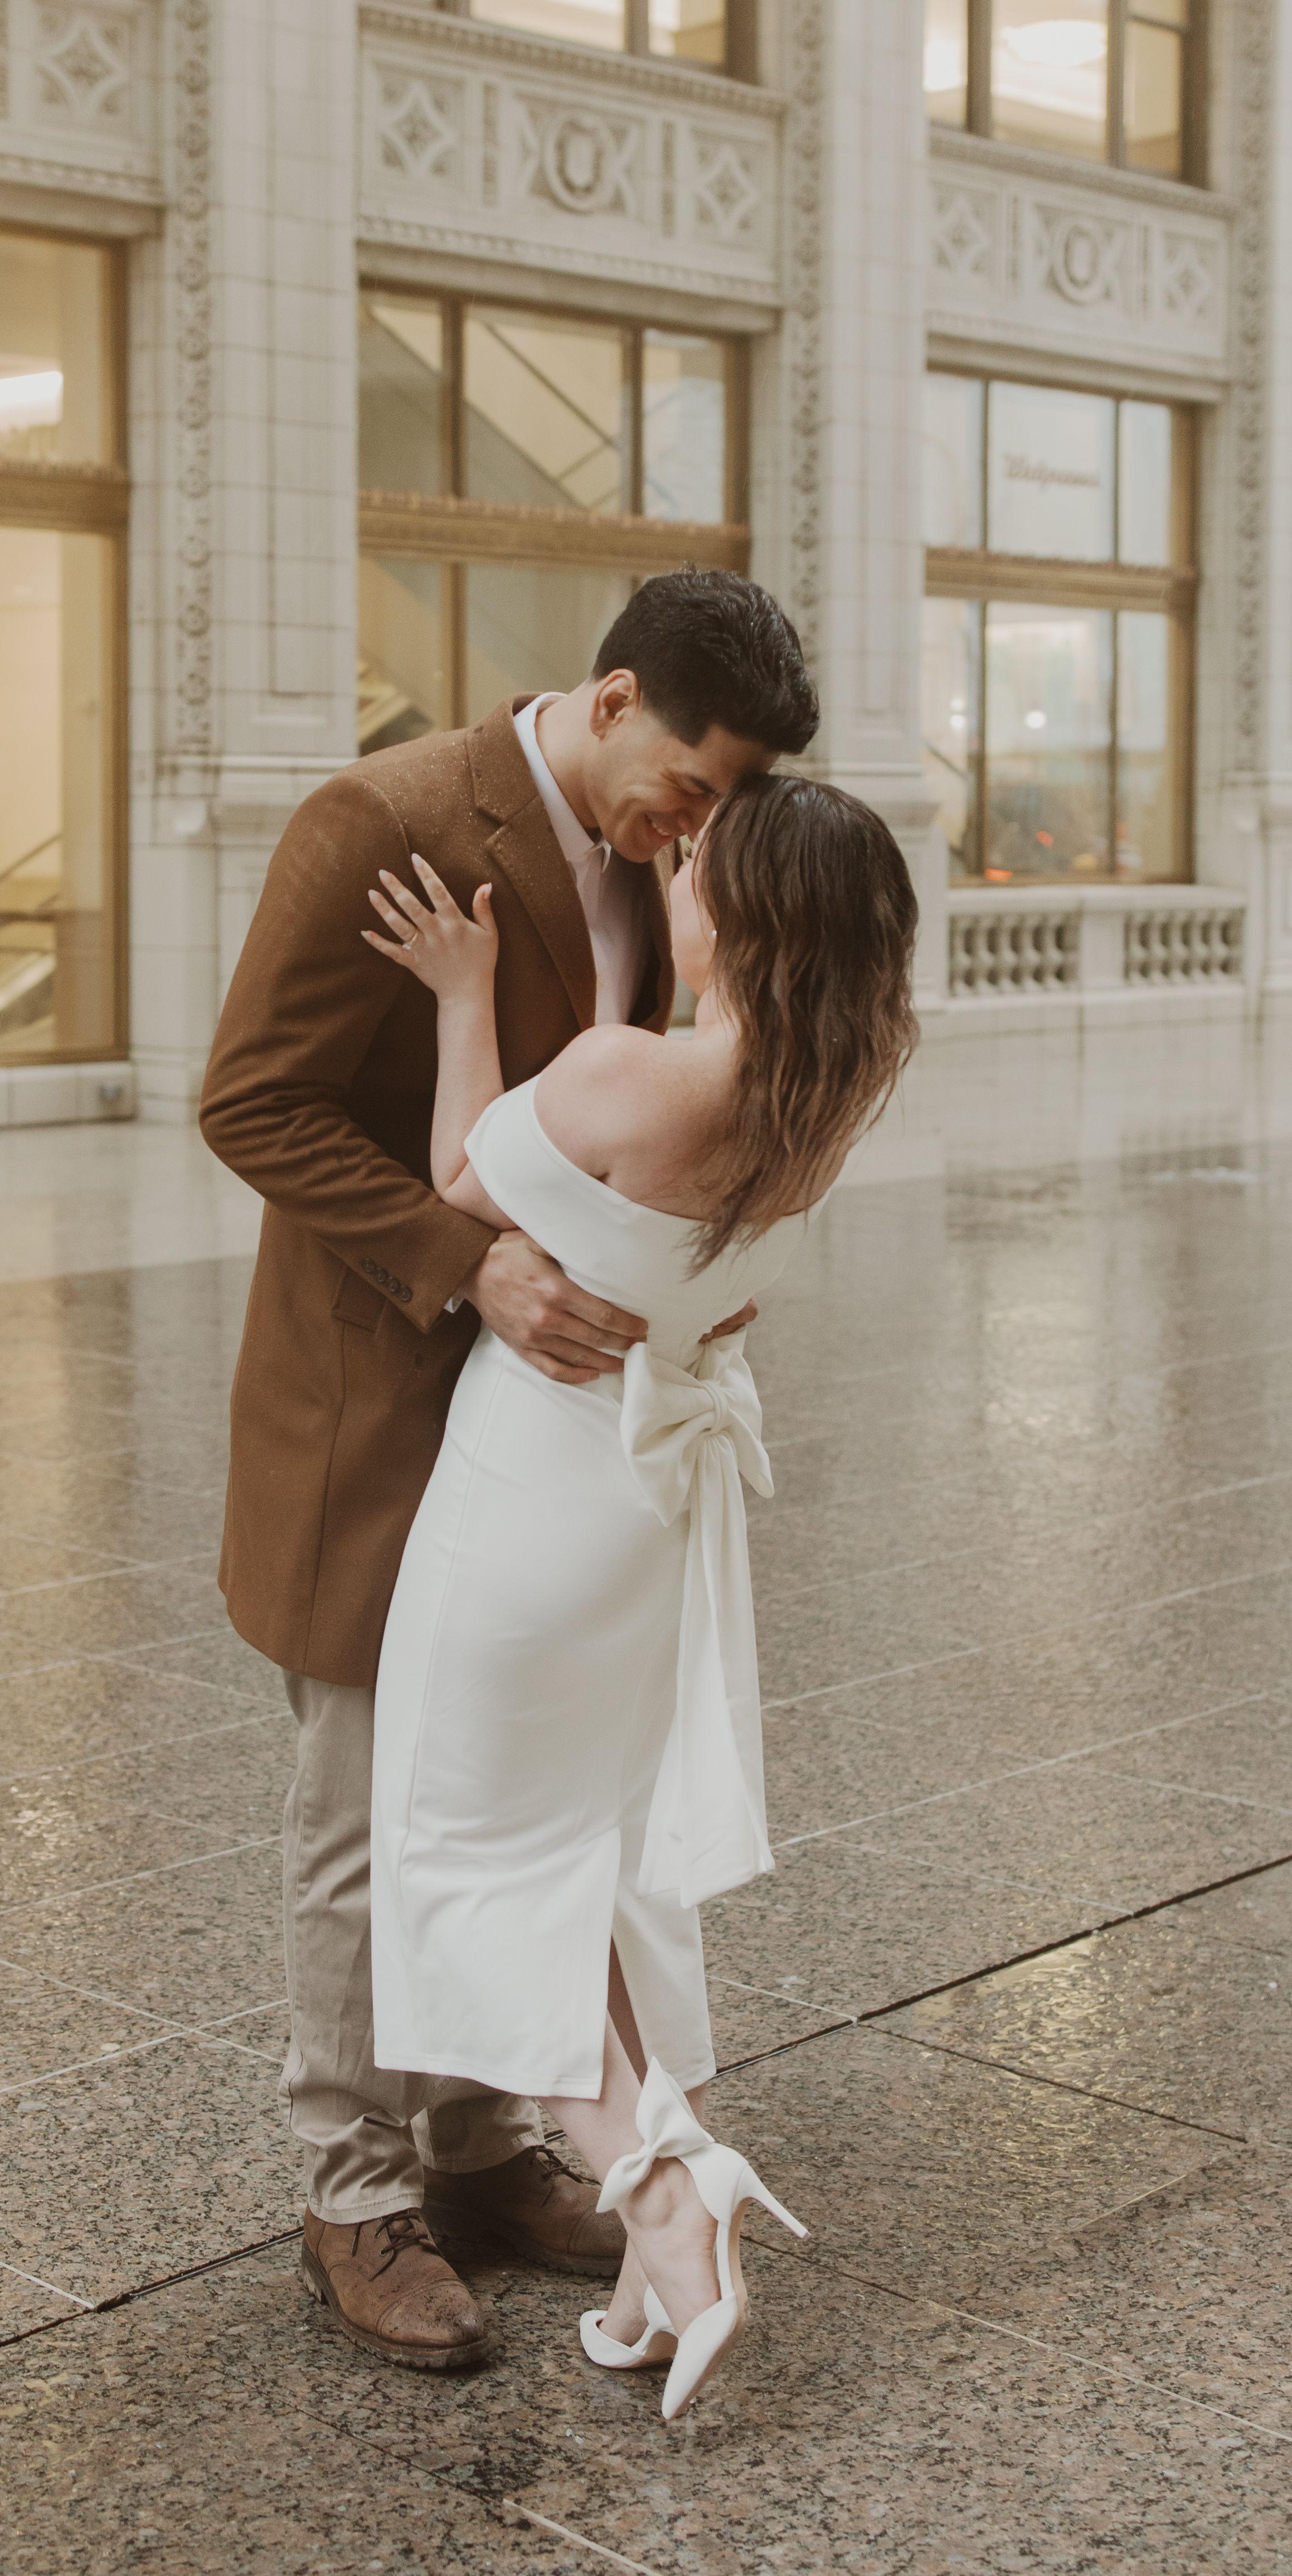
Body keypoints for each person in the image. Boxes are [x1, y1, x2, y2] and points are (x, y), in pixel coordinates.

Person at [196, 569, 819, 2372]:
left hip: (557, 1432)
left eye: (722, 807)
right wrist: (466, 1257)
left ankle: (474, 2149)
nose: (695, 831)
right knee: (363, 1811)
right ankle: (353, 2185)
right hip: (379, 1402)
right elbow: (252, 1100)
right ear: (612, 696)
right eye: (688, 786)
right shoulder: (377, 820)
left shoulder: (667, 863)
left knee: (528, 1795)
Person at [358, 770, 920, 2418]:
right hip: (647, 1511)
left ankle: (668, 2191)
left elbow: (465, 1180)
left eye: (692, 868)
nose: (669, 877)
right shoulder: (833, 1089)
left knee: (466, 1856)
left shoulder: (625, 1075)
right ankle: (641, 2267)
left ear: (733, 920)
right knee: (587, 1862)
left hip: (531, 1495)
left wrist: (466, 996)